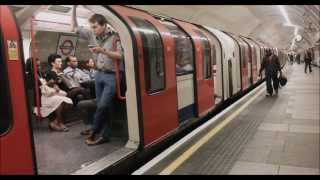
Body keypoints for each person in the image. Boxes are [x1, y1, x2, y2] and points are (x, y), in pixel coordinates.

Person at [72, 6, 124, 145]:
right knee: (104, 107)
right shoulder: (91, 35)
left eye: (95, 27)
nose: (93, 29)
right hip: (98, 74)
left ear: (104, 25)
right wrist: (74, 8)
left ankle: (94, 131)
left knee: (102, 106)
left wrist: (103, 51)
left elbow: (120, 56)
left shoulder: (115, 37)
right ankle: (105, 135)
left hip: (112, 76)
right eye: (92, 27)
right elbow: (75, 28)